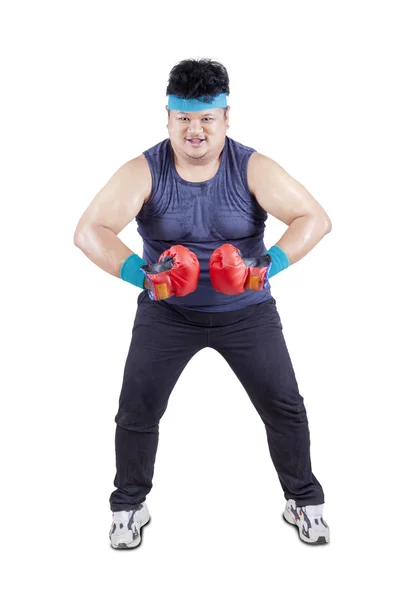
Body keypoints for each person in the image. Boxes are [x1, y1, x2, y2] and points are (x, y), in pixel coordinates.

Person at [74, 58, 332, 548]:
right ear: (168, 118)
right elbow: (89, 231)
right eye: (184, 119)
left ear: (226, 118)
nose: (195, 131)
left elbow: (313, 218)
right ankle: (129, 506)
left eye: (207, 119)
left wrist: (266, 266)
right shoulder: (143, 171)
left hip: (248, 314)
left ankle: (303, 498)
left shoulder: (253, 167)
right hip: (166, 313)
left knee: (285, 408)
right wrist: (143, 276)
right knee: (136, 410)